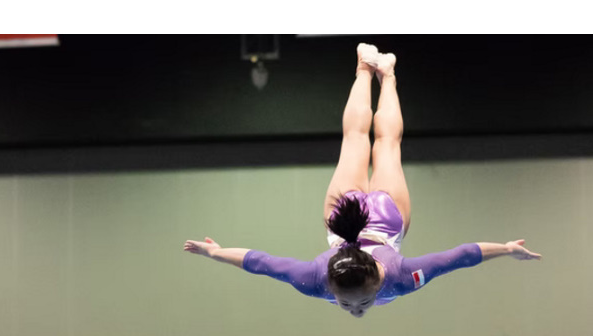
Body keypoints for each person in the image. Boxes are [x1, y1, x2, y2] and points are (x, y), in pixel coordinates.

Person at [183, 43, 540, 320]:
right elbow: (460, 256)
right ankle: (372, 71)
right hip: (358, 216)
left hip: (374, 218)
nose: (356, 310)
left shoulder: (345, 280)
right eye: (359, 303)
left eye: (353, 303)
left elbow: (260, 262)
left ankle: (378, 71)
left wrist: (217, 253)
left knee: (376, 142)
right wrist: (505, 248)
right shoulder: (370, 277)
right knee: (371, 141)